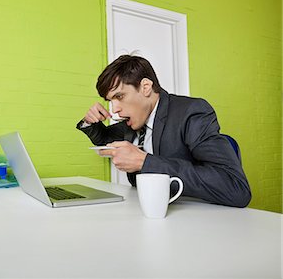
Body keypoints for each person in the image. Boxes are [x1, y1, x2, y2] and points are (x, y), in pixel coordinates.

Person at [76, 55, 251, 207]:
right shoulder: (132, 121)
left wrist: (145, 162)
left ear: (145, 87)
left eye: (120, 97)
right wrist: (90, 123)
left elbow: (235, 188)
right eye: (110, 101)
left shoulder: (191, 112)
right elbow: (105, 140)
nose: (115, 110)